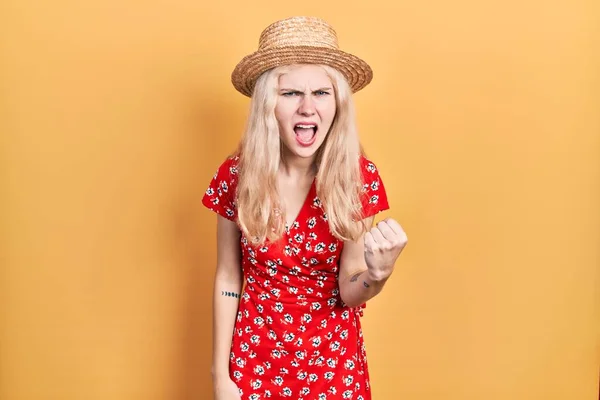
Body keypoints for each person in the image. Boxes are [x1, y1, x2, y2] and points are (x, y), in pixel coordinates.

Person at [202, 16, 408, 400]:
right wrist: (221, 377)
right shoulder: (237, 174)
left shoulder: (357, 178)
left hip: (333, 365)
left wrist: (377, 276)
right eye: (291, 93)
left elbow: (350, 289)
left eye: (321, 93)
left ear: (338, 103)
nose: (307, 108)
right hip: (253, 360)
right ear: (268, 104)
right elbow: (228, 278)